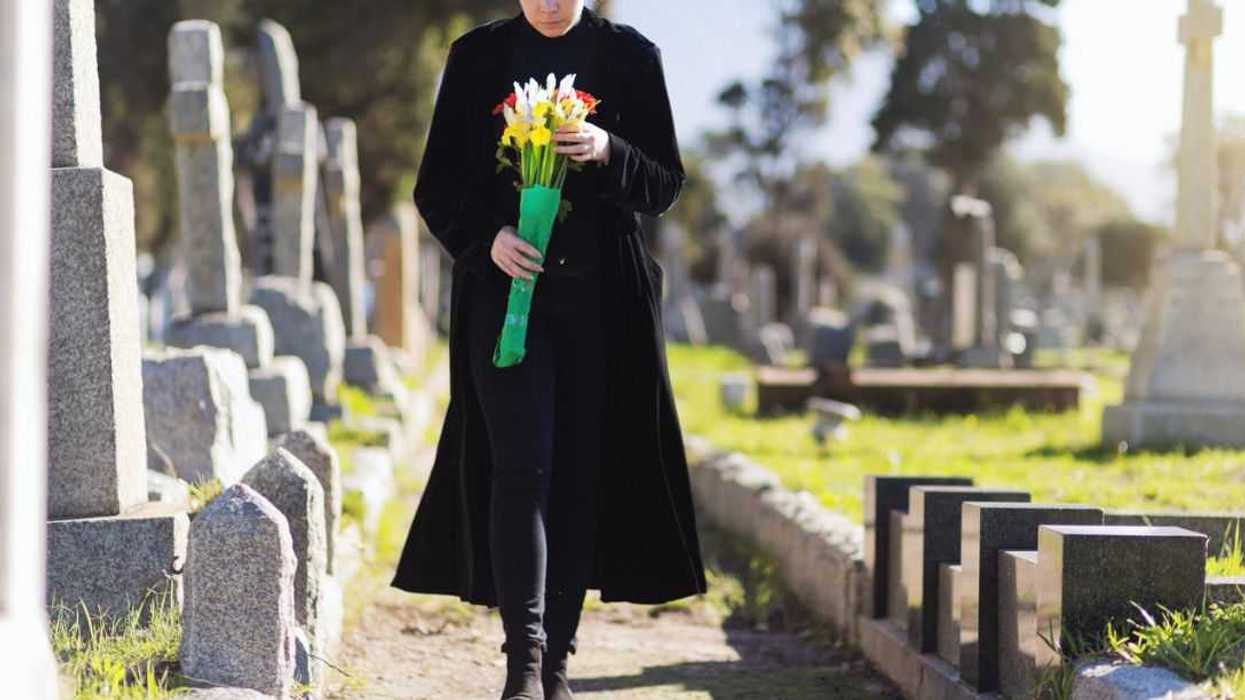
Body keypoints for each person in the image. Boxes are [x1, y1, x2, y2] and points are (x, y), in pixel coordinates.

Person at [390, 1, 707, 698]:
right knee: (520, 470)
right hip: (503, 304)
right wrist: (486, 241)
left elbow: (664, 184)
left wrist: (606, 151)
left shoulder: (631, 57)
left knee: (574, 476)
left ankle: (558, 662)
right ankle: (523, 666)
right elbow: (435, 186)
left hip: (603, 310)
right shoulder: (477, 58)